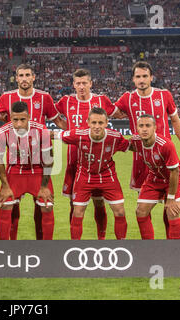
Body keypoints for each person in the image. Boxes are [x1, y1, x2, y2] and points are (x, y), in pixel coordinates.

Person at [114, 61, 180, 238]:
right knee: (143, 208)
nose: (141, 80)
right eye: (138, 76)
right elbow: (112, 112)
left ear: (151, 77)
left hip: (166, 155)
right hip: (142, 160)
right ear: (133, 79)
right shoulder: (127, 98)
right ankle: (150, 249)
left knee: (170, 208)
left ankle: (171, 248)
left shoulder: (164, 95)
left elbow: (176, 120)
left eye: (145, 76)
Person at [0, 63, 66, 240]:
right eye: (21, 75)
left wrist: (75, 134)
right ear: (16, 78)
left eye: (28, 75)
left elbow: (57, 120)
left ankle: (44, 248)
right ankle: (6, 250)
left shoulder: (44, 98)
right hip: (15, 163)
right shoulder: (6, 97)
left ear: (33, 77)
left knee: (44, 205)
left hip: (38, 163)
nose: (25, 78)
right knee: (9, 205)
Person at [55, 68, 125, 240]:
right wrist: (71, 132)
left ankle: (101, 239)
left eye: (84, 83)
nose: (81, 86)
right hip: (74, 158)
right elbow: (52, 116)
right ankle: (75, 243)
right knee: (75, 203)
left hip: (99, 159)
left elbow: (120, 113)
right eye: (78, 83)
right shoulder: (66, 101)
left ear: (91, 83)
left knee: (99, 201)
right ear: (73, 85)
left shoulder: (102, 100)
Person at [0, 101, 54, 240]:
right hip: (15, 171)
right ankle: (6, 248)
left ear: (29, 117)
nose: (19, 124)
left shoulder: (41, 130)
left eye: (22, 119)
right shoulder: (3, 132)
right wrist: (5, 186)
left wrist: (44, 186)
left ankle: (47, 247)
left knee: (47, 205)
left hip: (37, 170)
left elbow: (49, 160)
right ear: (10, 118)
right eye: (15, 120)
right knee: (6, 204)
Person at [129, 114, 180, 239]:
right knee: (141, 211)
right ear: (137, 128)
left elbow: (175, 171)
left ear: (155, 127)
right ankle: (149, 247)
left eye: (148, 126)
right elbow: (119, 144)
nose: (144, 129)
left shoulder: (165, 144)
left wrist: (171, 198)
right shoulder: (135, 141)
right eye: (141, 126)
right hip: (154, 178)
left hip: (175, 178)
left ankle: (174, 250)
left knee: (172, 211)